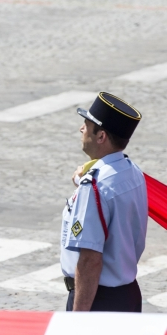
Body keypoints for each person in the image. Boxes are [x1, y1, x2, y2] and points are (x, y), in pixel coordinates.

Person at [61, 92, 147, 312]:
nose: (82, 129)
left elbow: (90, 260)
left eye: (87, 125)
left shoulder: (95, 187)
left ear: (101, 137)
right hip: (127, 295)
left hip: (97, 301)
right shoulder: (133, 173)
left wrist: (79, 317)